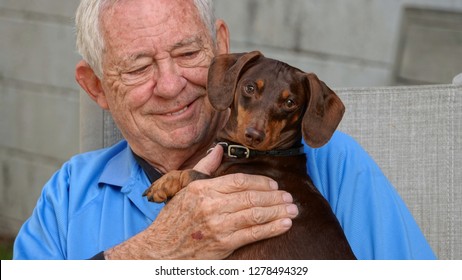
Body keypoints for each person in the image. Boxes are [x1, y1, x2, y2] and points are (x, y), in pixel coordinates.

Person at [13, 0, 435, 260]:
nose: (172, 85)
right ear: (96, 87)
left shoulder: (333, 164)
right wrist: (151, 254)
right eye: (139, 67)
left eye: (188, 52)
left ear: (221, 47)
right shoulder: (67, 198)